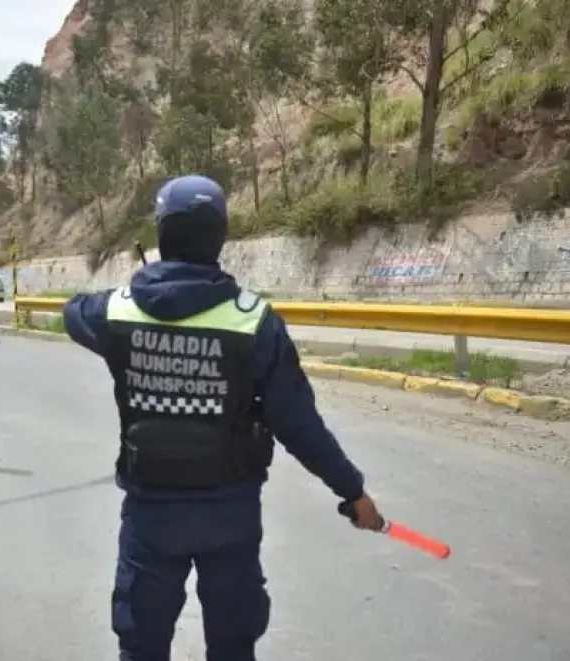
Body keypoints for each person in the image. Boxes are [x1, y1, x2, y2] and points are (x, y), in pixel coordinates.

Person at [62, 174, 384, 661]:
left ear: (162, 232)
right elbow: (300, 426)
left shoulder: (116, 313)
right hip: (230, 516)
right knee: (233, 646)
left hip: (152, 516)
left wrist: (141, 284)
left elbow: (72, 312)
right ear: (219, 236)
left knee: (142, 645)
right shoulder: (254, 321)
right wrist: (352, 492)